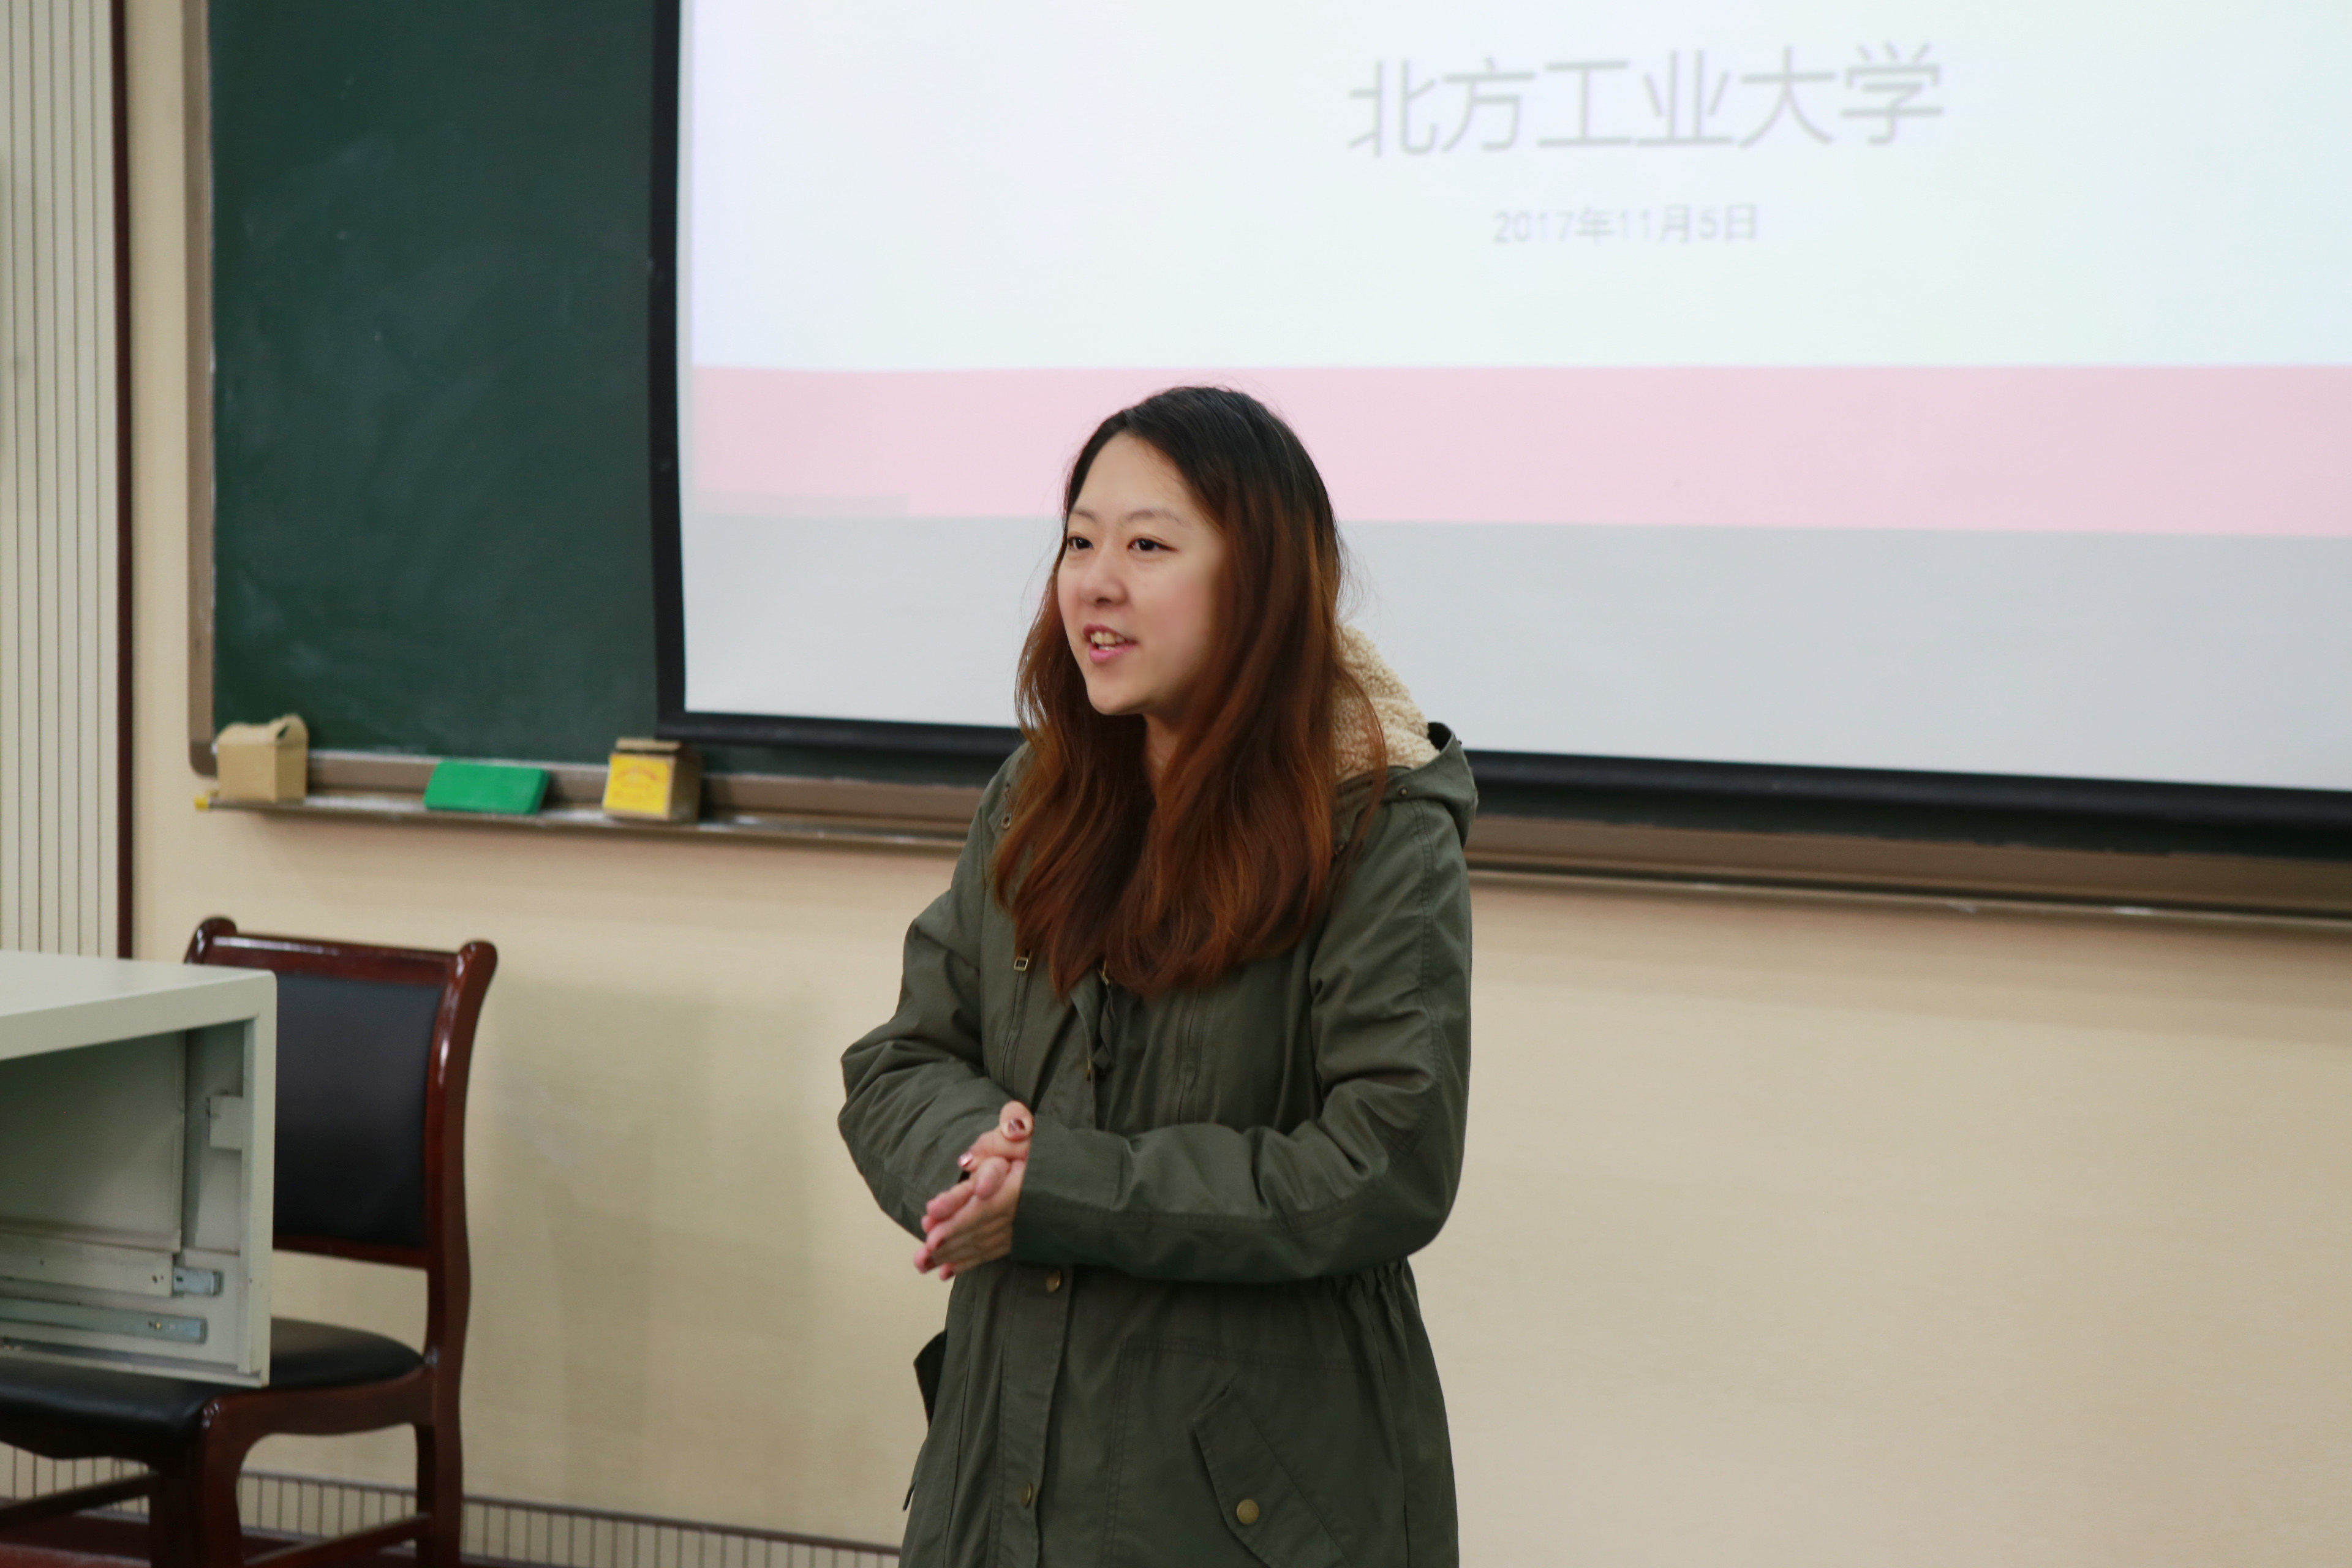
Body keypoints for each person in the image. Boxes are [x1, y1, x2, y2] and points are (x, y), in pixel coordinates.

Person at [839, 386, 1474, 1566]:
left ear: (1262, 580)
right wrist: (980, 1169)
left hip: (1245, 1502)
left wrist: (1062, 1187)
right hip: (1001, 1471)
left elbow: (1388, 1163)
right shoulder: (1039, 795)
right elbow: (903, 1059)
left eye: (1147, 547)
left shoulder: (1377, 822)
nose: (1095, 583)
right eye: (1079, 542)